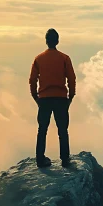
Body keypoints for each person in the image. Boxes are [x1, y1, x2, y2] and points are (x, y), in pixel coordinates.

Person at [29, 28, 76, 168]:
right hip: (61, 98)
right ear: (57, 41)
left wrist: (35, 97)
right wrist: (70, 97)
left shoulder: (38, 59)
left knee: (42, 130)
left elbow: (32, 80)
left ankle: (40, 159)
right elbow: (72, 79)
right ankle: (65, 160)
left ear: (46, 41)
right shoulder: (64, 58)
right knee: (62, 130)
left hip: (44, 99)